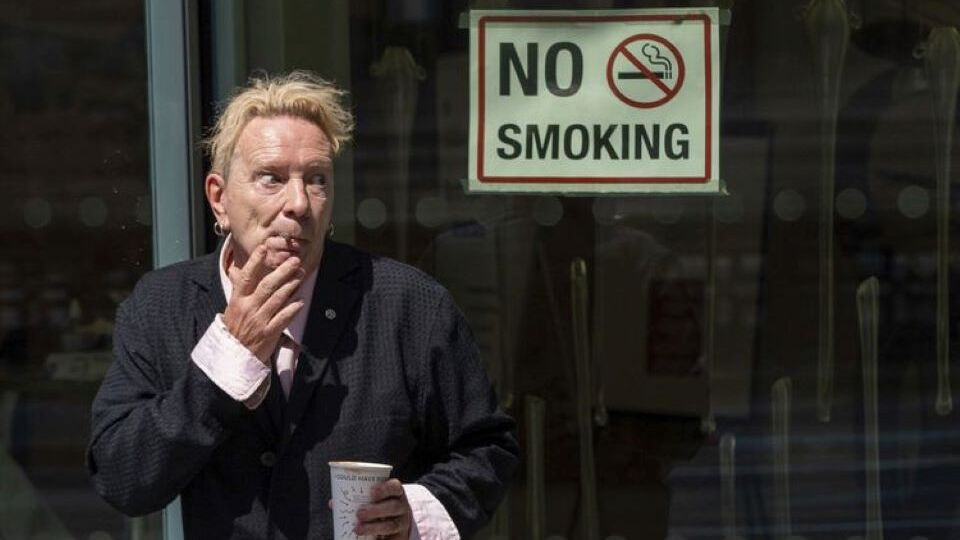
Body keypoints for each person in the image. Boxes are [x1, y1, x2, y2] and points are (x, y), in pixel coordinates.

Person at [86, 71, 518, 539]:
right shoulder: (161, 306)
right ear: (219, 199)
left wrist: (413, 512)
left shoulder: (408, 305)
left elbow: (487, 449)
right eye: (271, 178)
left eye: (316, 180)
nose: (299, 203)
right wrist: (227, 358)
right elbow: (121, 477)